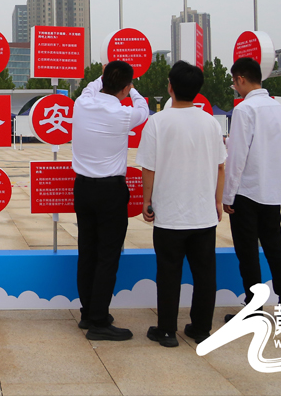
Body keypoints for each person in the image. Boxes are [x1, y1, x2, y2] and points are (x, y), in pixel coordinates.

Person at [136, 61, 226, 347]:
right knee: (205, 274)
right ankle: (200, 329)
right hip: (203, 214)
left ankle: (166, 331)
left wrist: (146, 200)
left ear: (170, 87)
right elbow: (220, 166)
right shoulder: (211, 123)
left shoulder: (157, 122)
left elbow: (148, 167)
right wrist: (218, 201)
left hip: (169, 214)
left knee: (168, 273)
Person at [71, 61, 149, 341]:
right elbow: (144, 108)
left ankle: (88, 312)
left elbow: (92, 87)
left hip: (83, 188)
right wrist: (132, 88)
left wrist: (104, 75)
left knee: (87, 252)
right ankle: (99, 320)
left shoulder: (82, 103)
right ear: (126, 88)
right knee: (107, 256)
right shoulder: (124, 114)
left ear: (103, 80)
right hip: (110, 192)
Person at [224, 57, 281, 324]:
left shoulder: (244, 109)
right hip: (271, 191)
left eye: (234, 82)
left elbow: (237, 157)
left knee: (248, 253)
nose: (235, 87)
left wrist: (227, 196)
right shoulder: (276, 107)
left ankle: (254, 309)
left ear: (241, 79)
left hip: (247, 192)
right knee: (275, 249)